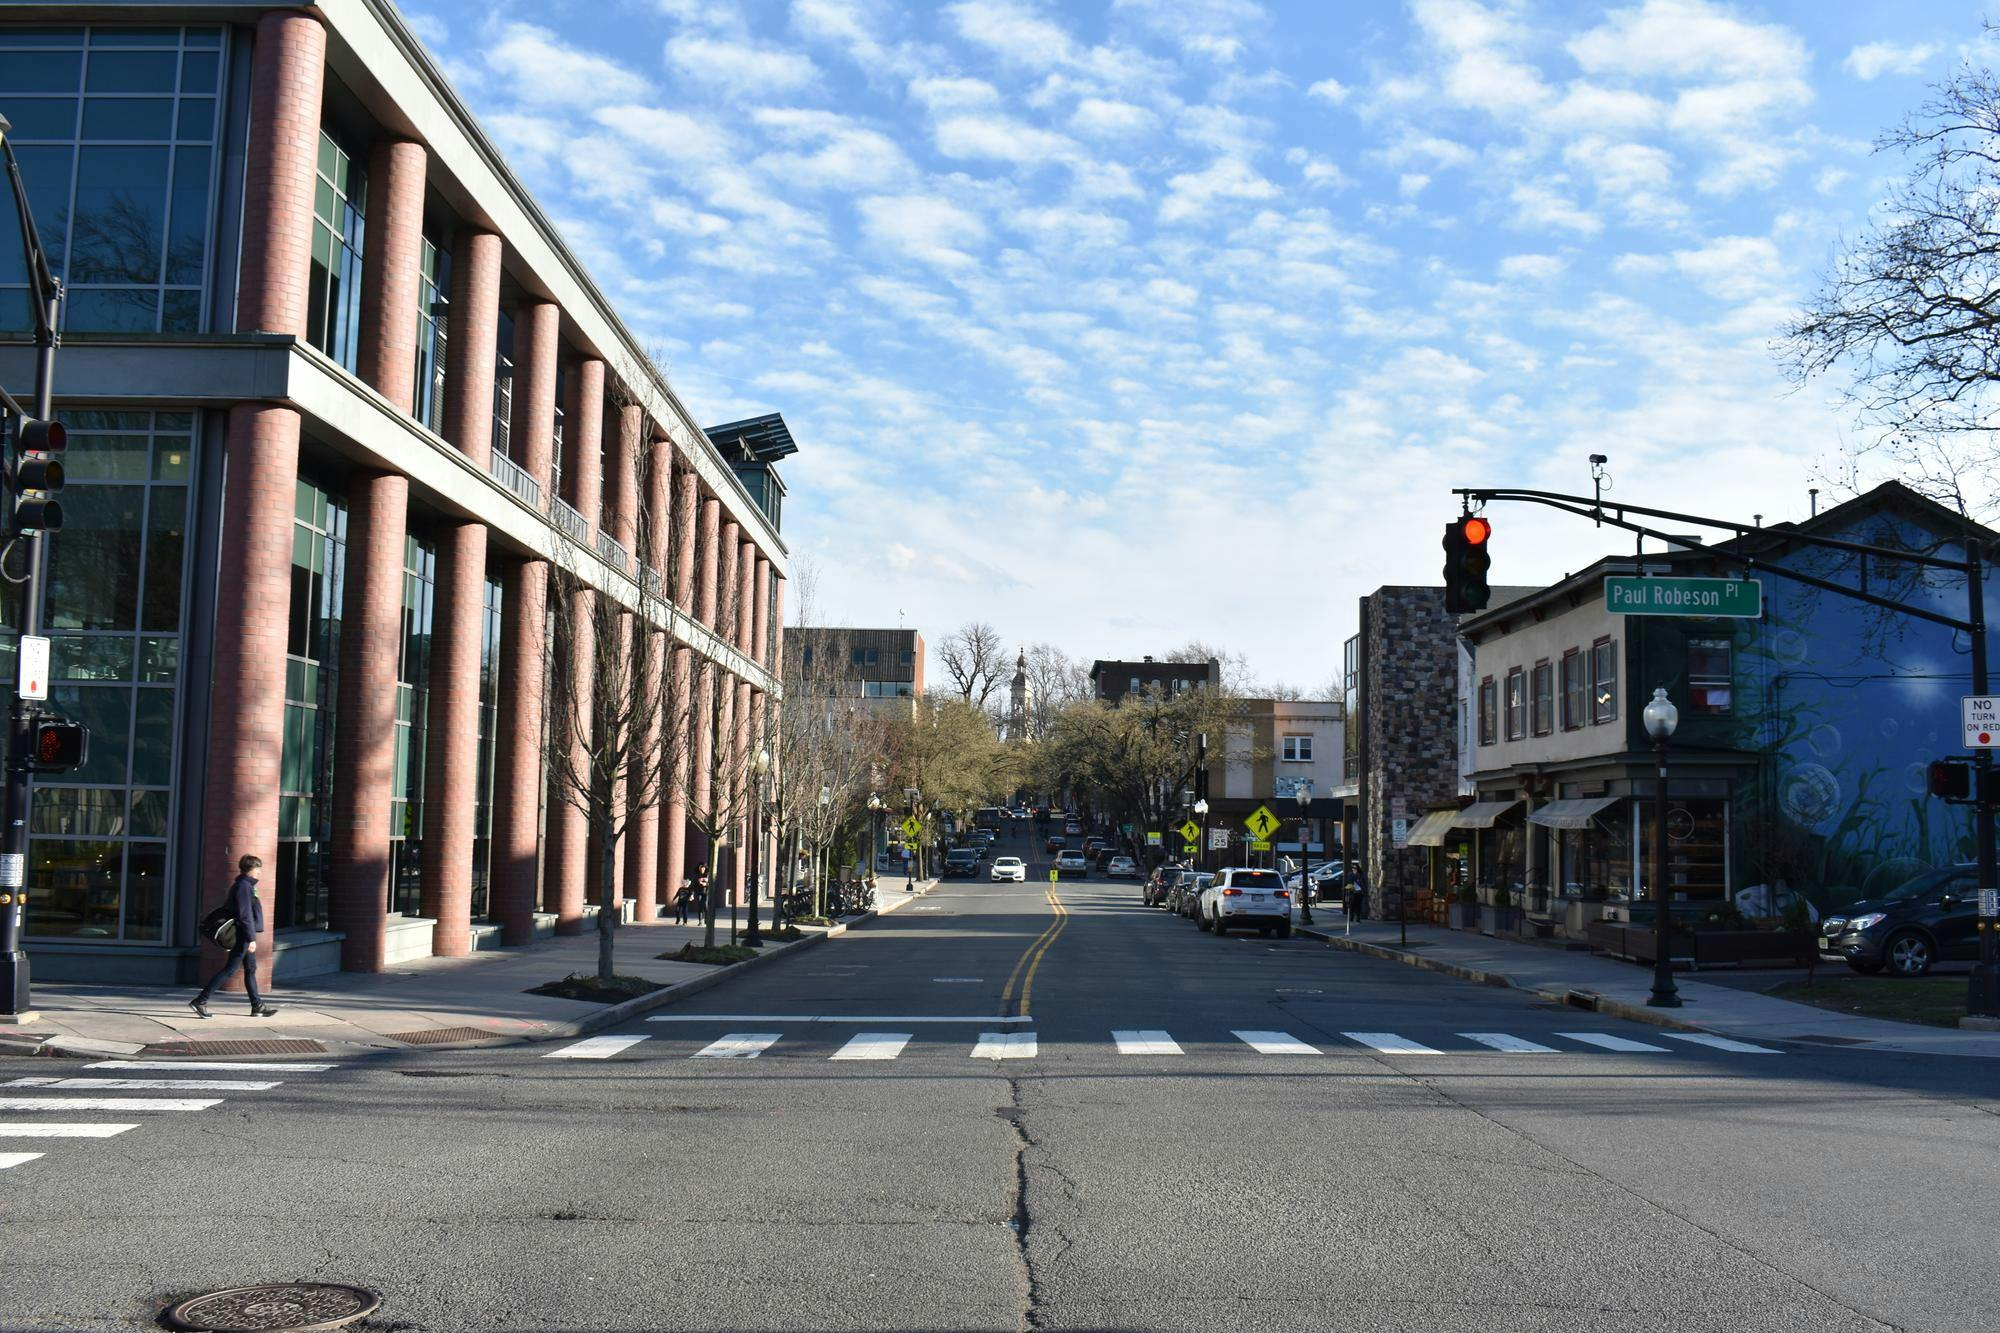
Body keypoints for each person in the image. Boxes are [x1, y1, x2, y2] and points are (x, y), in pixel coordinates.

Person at [189, 854, 277, 1019]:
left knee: (251, 969)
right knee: (230, 970)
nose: (260, 872)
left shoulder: (246, 885)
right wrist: (251, 938)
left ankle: (257, 1006)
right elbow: (245, 915)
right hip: (243, 935)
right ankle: (200, 1000)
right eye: (257, 869)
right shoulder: (243, 887)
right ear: (249, 870)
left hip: (245, 934)